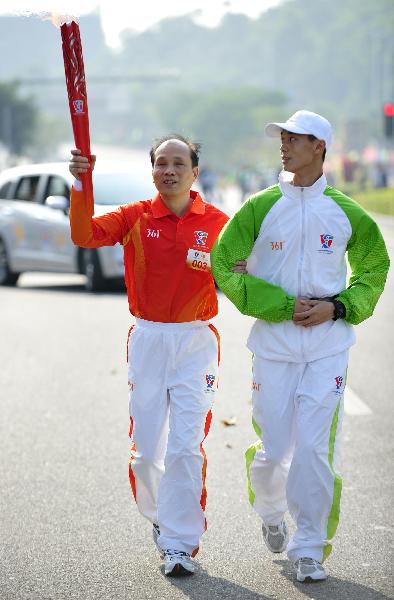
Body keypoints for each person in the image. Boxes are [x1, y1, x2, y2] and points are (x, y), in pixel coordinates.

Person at [211, 110, 390, 583]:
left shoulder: (348, 212)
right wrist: (280, 305)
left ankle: (309, 545)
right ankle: (271, 511)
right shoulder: (259, 207)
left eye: (295, 139)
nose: (284, 146)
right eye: (282, 138)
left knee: (313, 449)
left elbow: (374, 269)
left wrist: (339, 306)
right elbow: (224, 263)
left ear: (320, 148)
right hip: (274, 344)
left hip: (328, 344)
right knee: (273, 450)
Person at [68, 134, 228, 577]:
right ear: (153, 171)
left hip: (195, 342)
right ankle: (161, 516)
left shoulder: (217, 222)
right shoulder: (136, 217)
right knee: (145, 455)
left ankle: (180, 543)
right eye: (161, 163)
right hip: (149, 340)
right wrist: (81, 184)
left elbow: (249, 270)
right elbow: (84, 234)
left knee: (185, 446)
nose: (169, 170)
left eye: (179, 163)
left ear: (195, 172)